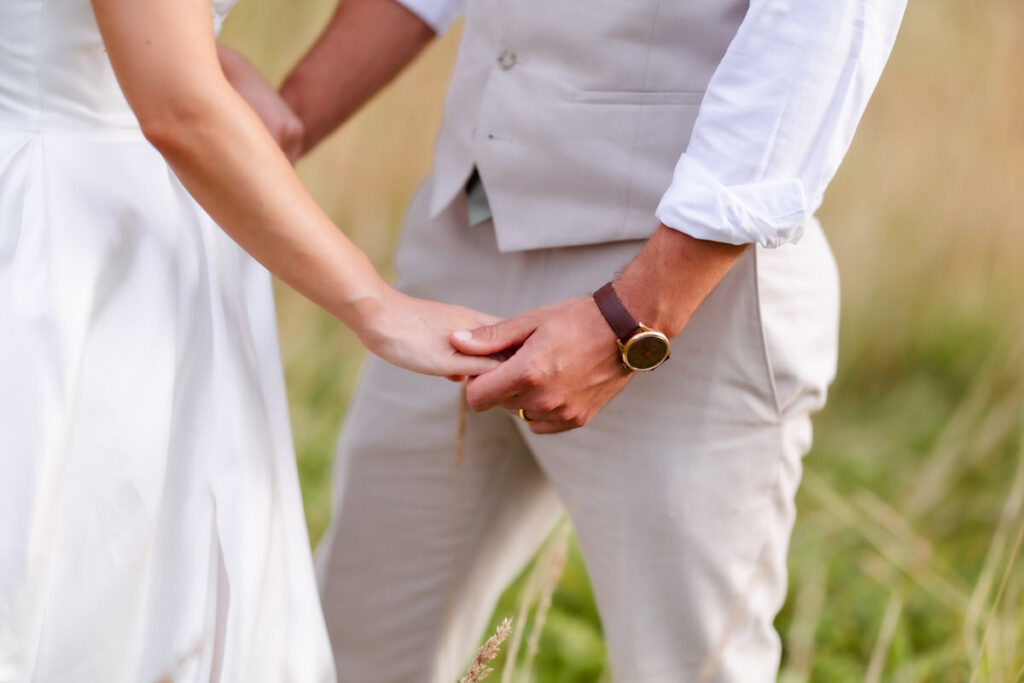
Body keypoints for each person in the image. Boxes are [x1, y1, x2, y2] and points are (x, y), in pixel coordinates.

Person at [235, 0, 907, 680]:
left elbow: (822, 24)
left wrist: (633, 319)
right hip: (464, 242)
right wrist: (281, 126)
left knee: (685, 666)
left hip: (685, 287)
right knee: (355, 643)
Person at [0, 0, 501, 680]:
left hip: (152, 219)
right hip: (70, 244)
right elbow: (179, 110)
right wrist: (379, 307)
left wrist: (203, 56)